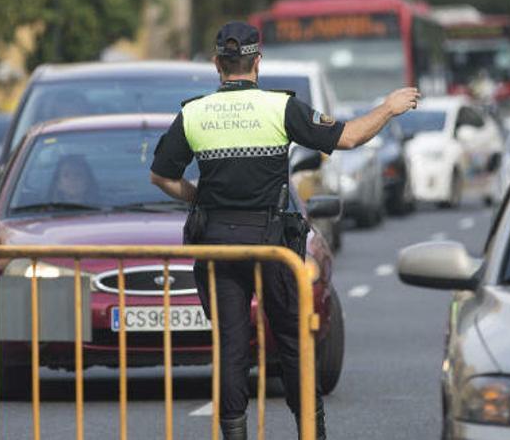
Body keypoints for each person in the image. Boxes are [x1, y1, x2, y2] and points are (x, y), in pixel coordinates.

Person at [149, 21, 419, 440]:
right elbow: (347, 138)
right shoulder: (280, 108)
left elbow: (161, 177)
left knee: (232, 350)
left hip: (219, 248)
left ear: (216, 63)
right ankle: (310, 432)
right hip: (273, 244)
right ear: (258, 61)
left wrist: (198, 196)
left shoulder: (194, 113)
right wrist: (388, 107)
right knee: (294, 347)